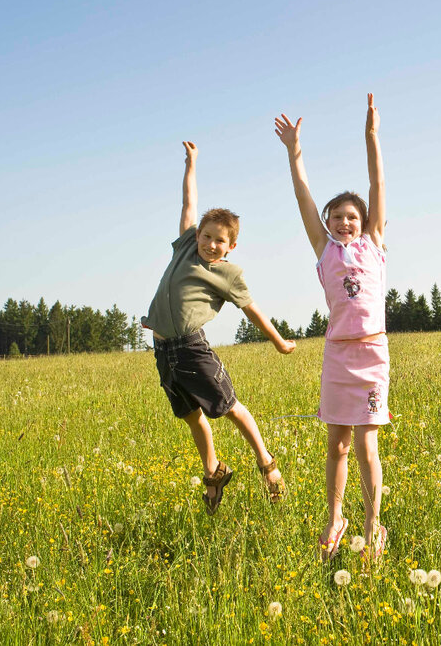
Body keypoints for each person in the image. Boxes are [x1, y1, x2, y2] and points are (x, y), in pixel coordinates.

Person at [141, 141, 295, 515]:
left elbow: (252, 310)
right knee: (192, 417)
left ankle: (267, 464)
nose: (211, 244)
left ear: (232, 246)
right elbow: (188, 204)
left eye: (220, 241)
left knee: (228, 408)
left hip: (192, 349)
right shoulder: (184, 249)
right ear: (197, 236)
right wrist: (191, 163)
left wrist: (278, 342)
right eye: (207, 236)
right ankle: (214, 472)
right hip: (164, 354)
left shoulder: (227, 274)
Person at [275, 94, 389, 562]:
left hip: (372, 354)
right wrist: (294, 152)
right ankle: (335, 517)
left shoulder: (374, 244)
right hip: (337, 356)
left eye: (353, 217)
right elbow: (302, 193)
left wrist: (371, 136)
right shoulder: (324, 250)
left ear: (364, 223)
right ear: (328, 222)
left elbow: (377, 182)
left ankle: (372, 525)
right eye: (339, 216)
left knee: (366, 446)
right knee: (337, 445)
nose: (346, 222)